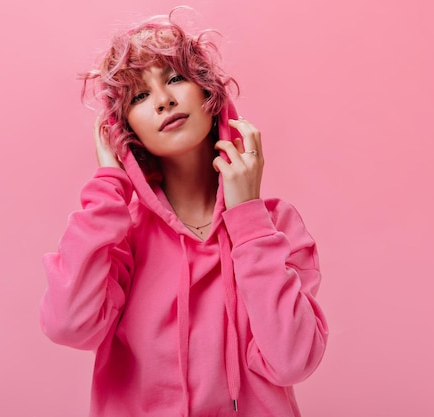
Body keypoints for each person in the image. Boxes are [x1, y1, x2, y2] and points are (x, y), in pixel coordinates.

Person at [40, 10, 328, 417]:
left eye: (174, 78)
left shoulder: (273, 225)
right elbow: (68, 325)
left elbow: (293, 359)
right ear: (124, 129)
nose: (163, 101)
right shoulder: (122, 235)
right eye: (140, 96)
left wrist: (246, 216)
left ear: (211, 96)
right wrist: (109, 184)